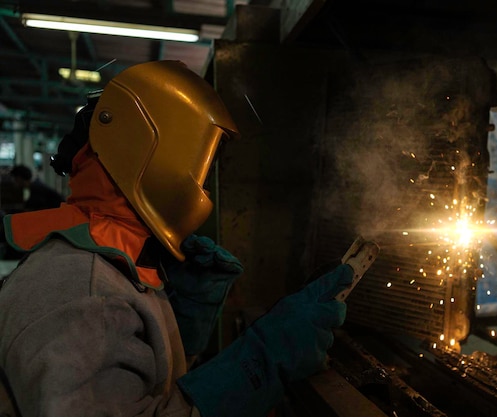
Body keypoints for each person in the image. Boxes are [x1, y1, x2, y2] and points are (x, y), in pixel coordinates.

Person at [0, 60, 354, 417]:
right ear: (150, 150)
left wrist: (178, 330)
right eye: (204, 162)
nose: (204, 182)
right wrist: (262, 360)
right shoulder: (85, 290)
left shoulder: (107, 264)